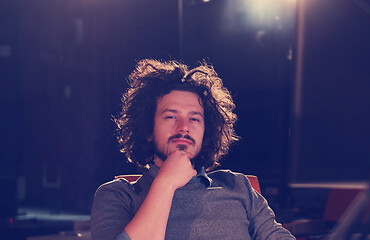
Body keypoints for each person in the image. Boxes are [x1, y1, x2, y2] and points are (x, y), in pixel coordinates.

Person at [91, 59, 296, 240]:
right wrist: (166, 182)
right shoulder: (119, 194)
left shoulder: (238, 186)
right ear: (148, 130)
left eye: (194, 118)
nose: (184, 127)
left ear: (206, 132)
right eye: (171, 116)